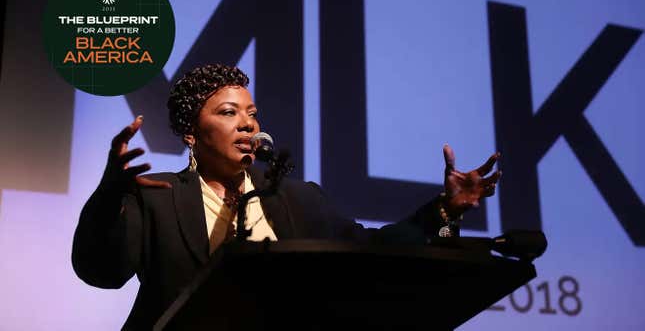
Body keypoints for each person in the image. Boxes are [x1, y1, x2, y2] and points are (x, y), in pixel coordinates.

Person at [72, 64, 501, 330]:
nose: (247, 124)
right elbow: (101, 273)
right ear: (191, 134)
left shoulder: (296, 198)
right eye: (228, 113)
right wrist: (109, 197)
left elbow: (370, 249)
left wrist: (442, 210)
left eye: (252, 113)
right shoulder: (157, 195)